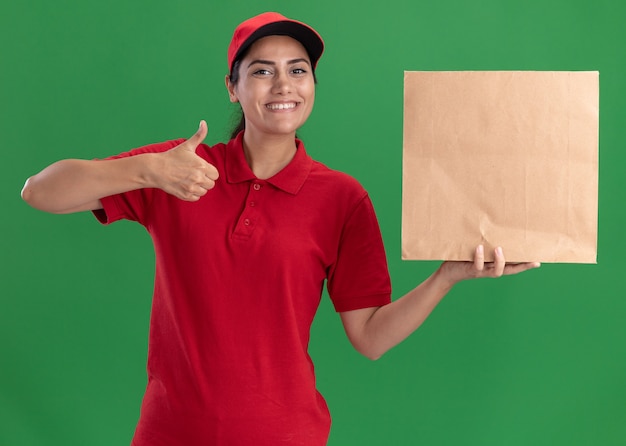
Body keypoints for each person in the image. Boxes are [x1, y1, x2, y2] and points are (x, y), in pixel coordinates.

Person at [21, 11, 540, 446]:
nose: (283, 85)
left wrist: (444, 277)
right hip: (170, 433)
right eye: (263, 71)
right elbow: (39, 191)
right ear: (233, 87)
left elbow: (370, 337)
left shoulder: (342, 198)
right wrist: (145, 169)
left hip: (288, 434)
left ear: (313, 84)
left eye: (298, 70)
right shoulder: (180, 168)